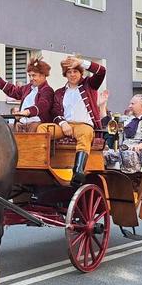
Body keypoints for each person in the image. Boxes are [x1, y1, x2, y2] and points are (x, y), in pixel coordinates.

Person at [45, 55, 106, 188]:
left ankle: (78, 171)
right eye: (69, 72)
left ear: (81, 72)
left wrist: (82, 62)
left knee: (85, 133)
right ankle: (41, 164)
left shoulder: (89, 85)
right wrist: (63, 123)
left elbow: (102, 71)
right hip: (65, 125)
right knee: (43, 129)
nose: (72, 74)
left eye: (75, 71)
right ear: (65, 74)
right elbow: (55, 111)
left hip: (84, 125)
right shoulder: (60, 92)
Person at [0, 57, 53, 132]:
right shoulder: (27, 88)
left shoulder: (47, 90)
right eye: (29, 76)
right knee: (3, 131)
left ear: (43, 75)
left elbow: (42, 105)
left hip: (36, 125)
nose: (31, 78)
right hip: (22, 123)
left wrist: (26, 112)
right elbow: (13, 90)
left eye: (34, 75)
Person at [104, 94, 142, 174]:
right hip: (123, 148)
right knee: (104, 155)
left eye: (132, 104)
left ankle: (126, 181)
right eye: (130, 104)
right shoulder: (126, 120)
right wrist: (103, 105)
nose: (129, 106)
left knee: (128, 155)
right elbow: (111, 126)